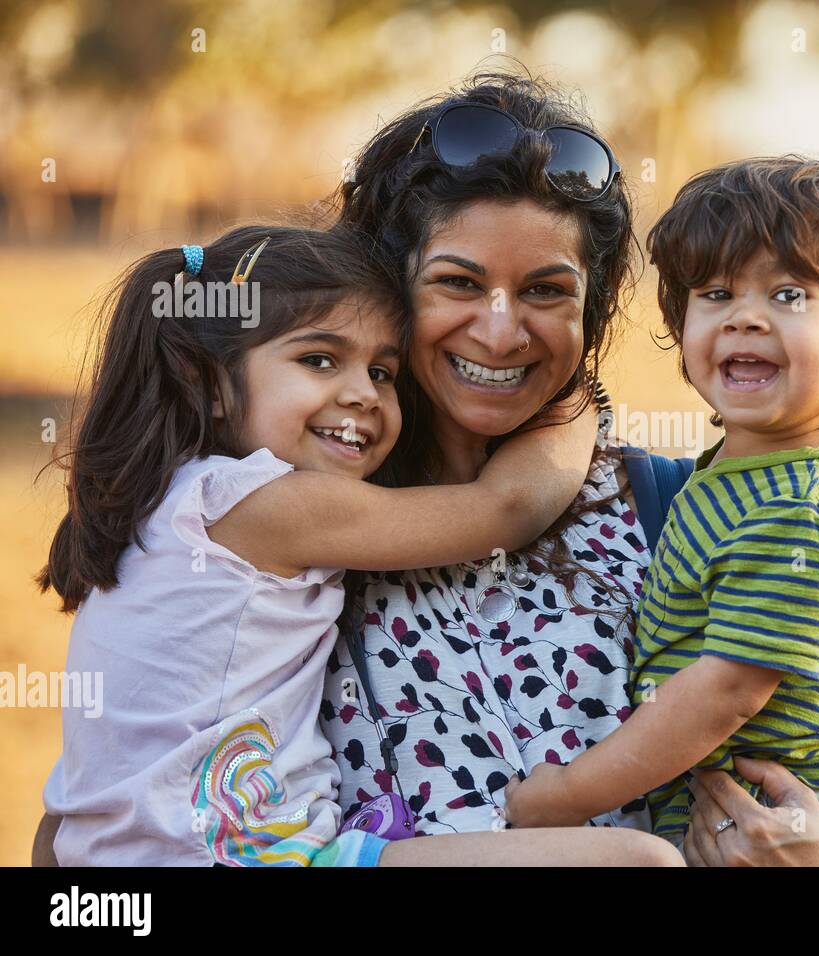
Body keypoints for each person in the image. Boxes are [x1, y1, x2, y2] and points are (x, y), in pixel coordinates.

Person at [36, 224, 601, 866]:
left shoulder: (165, 506)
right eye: (319, 360)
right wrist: (575, 396)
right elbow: (504, 509)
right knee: (640, 863)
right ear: (210, 384)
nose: (364, 393)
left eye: (383, 371)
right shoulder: (264, 504)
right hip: (240, 859)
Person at [504, 156, 819, 860]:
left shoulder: (795, 504)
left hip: (780, 812)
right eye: (715, 293)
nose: (745, 317)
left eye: (790, 295)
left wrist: (567, 795)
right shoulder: (750, 472)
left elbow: (726, 692)